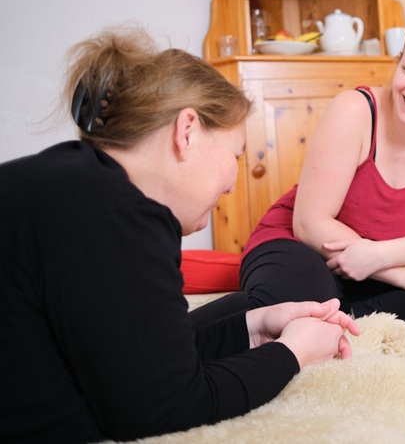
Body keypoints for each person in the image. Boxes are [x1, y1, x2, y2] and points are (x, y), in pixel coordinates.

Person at [0, 27, 360, 443]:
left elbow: (140, 357)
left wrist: (254, 327)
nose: (232, 184)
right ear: (186, 130)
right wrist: (293, 354)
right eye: (235, 154)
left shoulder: (80, 185)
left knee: (242, 305)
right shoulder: (120, 215)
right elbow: (166, 406)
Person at [192, 9, 405, 327]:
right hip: (308, 249)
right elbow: (310, 223)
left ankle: (353, 317)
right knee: (292, 303)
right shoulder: (355, 110)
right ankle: (331, 315)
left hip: (381, 262)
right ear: (398, 60)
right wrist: (401, 274)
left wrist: (382, 256)